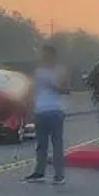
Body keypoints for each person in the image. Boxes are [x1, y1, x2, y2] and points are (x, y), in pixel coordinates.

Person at [24, 43, 71, 184]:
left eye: (47, 54)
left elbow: (67, 90)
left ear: (53, 55)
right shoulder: (38, 71)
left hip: (56, 111)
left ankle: (59, 175)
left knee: (57, 144)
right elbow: (33, 90)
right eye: (42, 54)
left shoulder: (61, 71)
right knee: (41, 145)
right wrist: (30, 108)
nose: (44, 56)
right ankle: (39, 173)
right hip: (40, 111)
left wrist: (54, 86)